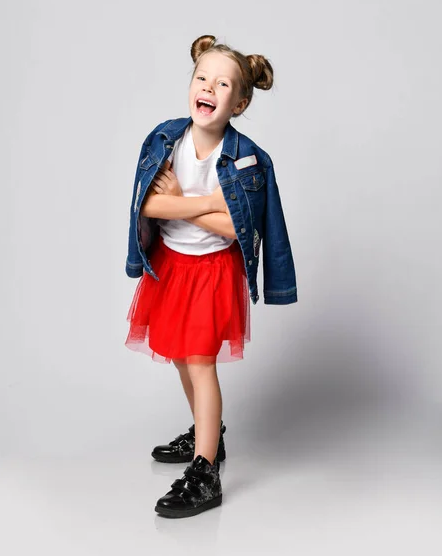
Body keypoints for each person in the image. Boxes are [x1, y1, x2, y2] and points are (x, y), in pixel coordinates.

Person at [124, 34, 298, 518]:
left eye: (223, 83)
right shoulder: (166, 140)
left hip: (212, 273)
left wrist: (183, 204)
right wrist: (202, 202)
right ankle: (209, 433)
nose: (208, 87)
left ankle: (206, 472)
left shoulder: (246, 160)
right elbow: (151, 204)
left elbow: (236, 228)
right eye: (202, 77)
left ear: (239, 101)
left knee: (201, 363)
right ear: (191, 85)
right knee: (181, 355)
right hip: (171, 266)